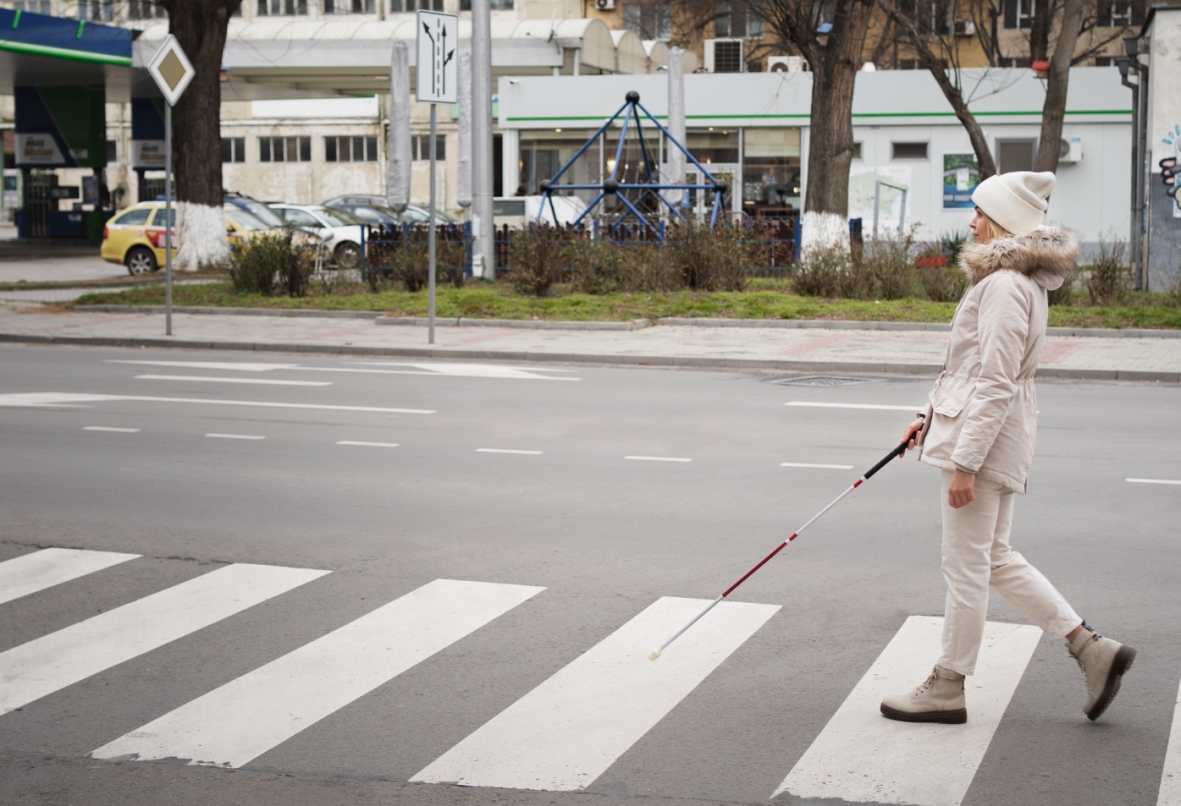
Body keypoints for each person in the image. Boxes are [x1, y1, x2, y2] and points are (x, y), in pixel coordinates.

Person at [881, 171, 1135, 725]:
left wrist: (965, 464)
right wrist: (926, 418)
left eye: (978, 212)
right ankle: (1090, 648)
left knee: (965, 568)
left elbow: (995, 382)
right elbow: (973, 372)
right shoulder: (1018, 282)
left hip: (986, 445)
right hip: (997, 435)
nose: (970, 222)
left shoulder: (1001, 286)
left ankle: (948, 685)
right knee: (993, 558)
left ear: (999, 221)